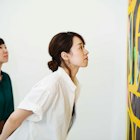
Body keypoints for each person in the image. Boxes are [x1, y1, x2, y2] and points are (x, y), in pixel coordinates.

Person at [0, 31, 89, 140]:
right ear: (65, 55)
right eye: (80, 47)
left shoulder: (73, 85)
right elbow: (15, 118)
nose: (86, 52)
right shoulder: (52, 84)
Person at [0, 38, 14, 134]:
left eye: (5, 47)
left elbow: (10, 111)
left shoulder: (6, 78)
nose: (5, 50)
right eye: (0, 48)